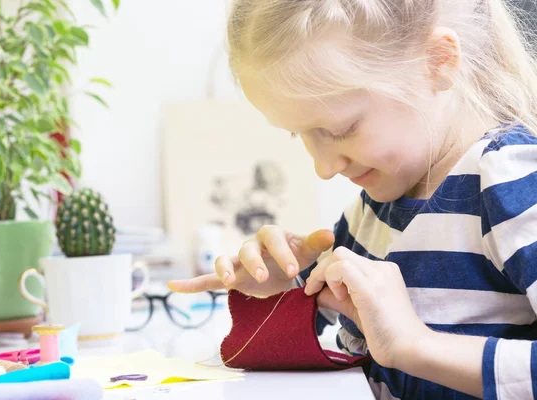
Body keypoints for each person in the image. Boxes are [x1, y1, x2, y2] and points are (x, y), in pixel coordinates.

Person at [168, 0, 537, 398]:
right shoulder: (371, 211)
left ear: (438, 62)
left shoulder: (510, 180)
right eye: (300, 135)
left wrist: (417, 347)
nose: (323, 168)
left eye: (341, 130)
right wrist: (285, 291)